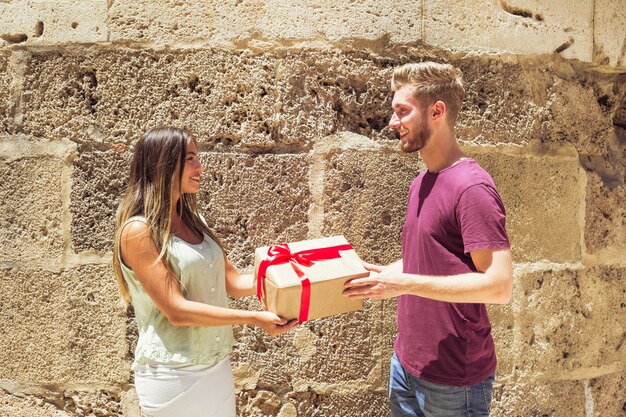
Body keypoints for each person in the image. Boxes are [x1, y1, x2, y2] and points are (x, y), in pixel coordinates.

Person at [343, 62, 513, 416]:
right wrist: (379, 276)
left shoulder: (472, 187)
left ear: (437, 111)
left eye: (402, 111)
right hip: (406, 364)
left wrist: (402, 283)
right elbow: (433, 260)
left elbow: (499, 286)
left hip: (454, 381)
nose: (392, 123)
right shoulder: (421, 181)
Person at [112, 127, 298, 417]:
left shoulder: (193, 220)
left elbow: (234, 282)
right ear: (164, 163)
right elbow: (177, 310)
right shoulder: (138, 232)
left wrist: (295, 275)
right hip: (172, 374)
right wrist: (254, 318)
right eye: (190, 159)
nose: (200, 167)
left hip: (216, 365)